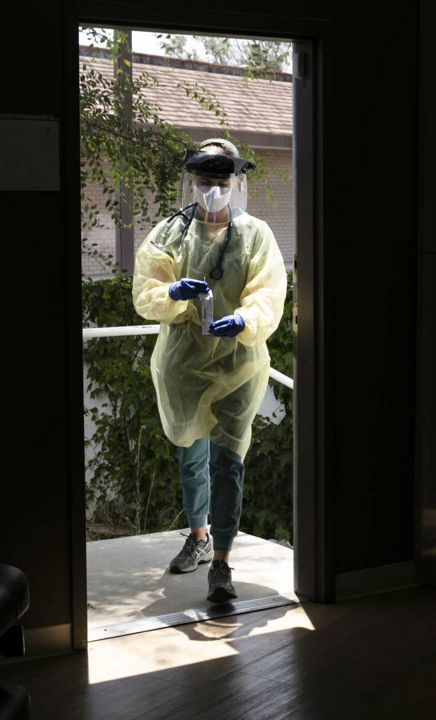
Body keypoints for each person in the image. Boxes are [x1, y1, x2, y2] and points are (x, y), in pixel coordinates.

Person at [131, 138, 287, 604]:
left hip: (239, 364)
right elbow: (145, 291)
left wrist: (245, 320)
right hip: (184, 362)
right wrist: (173, 294)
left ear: (235, 182)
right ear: (192, 181)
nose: (213, 189)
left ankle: (221, 561)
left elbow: (269, 289)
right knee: (190, 455)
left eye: (221, 181)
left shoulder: (255, 233)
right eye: (205, 180)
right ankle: (197, 535)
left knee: (227, 461)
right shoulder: (170, 234)